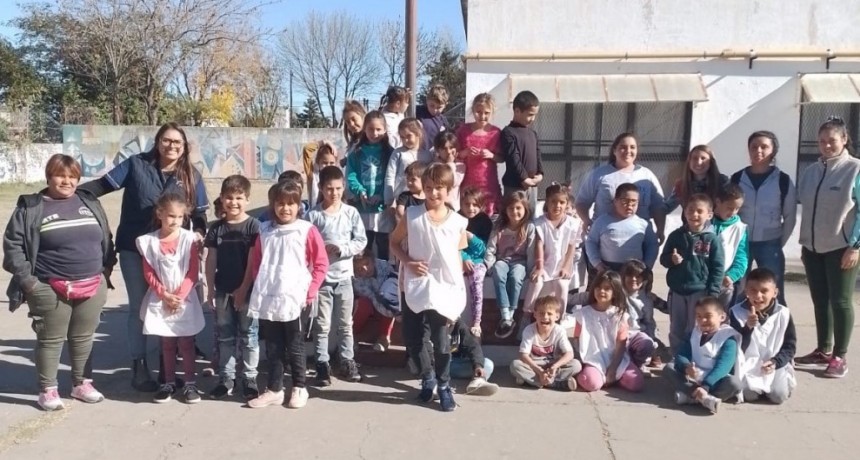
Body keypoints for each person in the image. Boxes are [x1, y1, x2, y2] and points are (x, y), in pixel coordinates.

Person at [78, 122, 209, 392]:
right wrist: (72, 194)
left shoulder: (191, 175)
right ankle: (139, 366)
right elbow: (102, 185)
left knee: (172, 302)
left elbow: (199, 216)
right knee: (140, 306)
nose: (171, 146)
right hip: (134, 249)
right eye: (167, 140)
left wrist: (199, 236)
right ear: (158, 141)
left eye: (177, 142)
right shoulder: (136, 165)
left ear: (184, 147)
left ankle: (167, 366)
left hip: (174, 253)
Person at [3, 154, 115, 410]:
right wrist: (29, 283)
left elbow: (106, 236)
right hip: (48, 286)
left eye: (72, 176)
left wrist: (106, 269)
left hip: (92, 283)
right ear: (49, 176)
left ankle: (81, 384)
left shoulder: (88, 201)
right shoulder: (31, 207)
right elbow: (13, 247)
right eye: (60, 175)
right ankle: (48, 390)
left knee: (83, 337)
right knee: (51, 340)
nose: (66, 181)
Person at [233, 181, 329, 409]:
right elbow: (257, 263)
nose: (285, 208)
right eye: (280, 203)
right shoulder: (264, 230)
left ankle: (299, 387)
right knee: (273, 345)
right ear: (273, 205)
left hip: (296, 297)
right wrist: (259, 287)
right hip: (269, 296)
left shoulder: (307, 230)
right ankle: (274, 389)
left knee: (294, 344)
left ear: (298, 206)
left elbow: (321, 263)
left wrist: (311, 290)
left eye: (291, 204)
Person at [389, 162, 469, 412]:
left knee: (441, 340)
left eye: (439, 188)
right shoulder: (412, 216)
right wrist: (408, 262)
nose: (434, 193)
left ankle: (444, 386)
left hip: (444, 287)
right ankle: (428, 377)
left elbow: (458, 255)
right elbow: (393, 243)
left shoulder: (458, 221)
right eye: (429, 188)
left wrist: (459, 289)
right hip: (414, 284)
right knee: (413, 338)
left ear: (449, 189)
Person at [795, 117, 860, 378]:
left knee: (841, 301)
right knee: (820, 300)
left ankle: (840, 357)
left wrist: (855, 246)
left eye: (832, 140)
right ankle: (823, 349)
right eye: (822, 141)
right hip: (812, 248)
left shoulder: (854, 169)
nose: (826, 146)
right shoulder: (811, 171)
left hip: (841, 247)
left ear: (844, 140)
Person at [137, 192, 205, 404]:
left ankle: (190, 383)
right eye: (170, 216)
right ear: (159, 214)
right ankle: (167, 382)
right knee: (166, 343)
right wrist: (164, 295)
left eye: (179, 217)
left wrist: (180, 296)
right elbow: (149, 272)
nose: (174, 221)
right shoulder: (148, 242)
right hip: (162, 299)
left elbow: (193, 271)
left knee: (186, 342)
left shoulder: (188, 240)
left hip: (184, 299)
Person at [306, 166, 368, 385]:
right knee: (322, 324)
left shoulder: (350, 213)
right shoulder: (313, 215)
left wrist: (342, 249)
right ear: (321, 189)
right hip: (322, 279)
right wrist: (321, 250)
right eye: (329, 189)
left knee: (345, 323)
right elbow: (305, 244)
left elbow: (361, 240)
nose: (334, 193)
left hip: (344, 278)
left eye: (339, 188)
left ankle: (347, 360)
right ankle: (322, 363)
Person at [204, 175, 261, 401]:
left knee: (250, 336)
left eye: (239, 198)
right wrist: (209, 290)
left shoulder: (253, 226)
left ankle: (249, 379)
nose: (233, 202)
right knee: (225, 337)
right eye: (229, 197)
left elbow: (253, 261)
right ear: (222, 199)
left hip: (248, 292)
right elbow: (210, 260)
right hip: (222, 292)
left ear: (247, 199)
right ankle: (226, 379)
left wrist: (243, 288)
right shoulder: (216, 229)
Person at [730, 131, 796, 306]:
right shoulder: (737, 178)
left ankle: (782, 332)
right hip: (741, 243)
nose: (758, 150)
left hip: (770, 243)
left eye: (764, 147)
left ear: (773, 150)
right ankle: (738, 331)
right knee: (737, 291)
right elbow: (729, 212)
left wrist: (778, 242)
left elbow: (790, 216)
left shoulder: (783, 180)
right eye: (754, 147)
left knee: (774, 293)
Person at [574, 132, 666, 246]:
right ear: (614, 150)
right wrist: (586, 220)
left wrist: (660, 229)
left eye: (632, 147)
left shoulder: (647, 175)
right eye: (623, 147)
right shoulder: (599, 175)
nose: (628, 151)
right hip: (605, 240)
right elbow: (582, 202)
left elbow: (659, 207)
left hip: (639, 239)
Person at [660, 194, 725, 353]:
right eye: (690, 210)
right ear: (684, 212)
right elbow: (663, 259)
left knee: (694, 327)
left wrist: (713, 292)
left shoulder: (711, 240)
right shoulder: (676, 236)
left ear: (709, 214)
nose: (694, 214)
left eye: (699, 211)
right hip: (677, 291)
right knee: (676, 326)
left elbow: (718, 267)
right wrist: (671, 259)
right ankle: (677, 358)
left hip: (699, 291)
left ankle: (693, 356)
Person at [729, 268, 797, 404]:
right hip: (748, 365)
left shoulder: (783, 314)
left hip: (773, 363)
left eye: (764, 291)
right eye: (753, 290)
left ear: (775, 293)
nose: (758, 296)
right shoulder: (736, 313)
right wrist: (747, 328)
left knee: (778, 396)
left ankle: (782, 380)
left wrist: (776, 362)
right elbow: (734, 348)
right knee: (750, 395)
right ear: (746, 291)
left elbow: (790, 346)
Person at [667, 296, 742, 414]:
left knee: (734, 383)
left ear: (722, 317)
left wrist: (706, 385)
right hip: (694, 376)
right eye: (699, 316)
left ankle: (692, 397)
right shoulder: (693, 333)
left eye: (708, 316)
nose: (702, 321)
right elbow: (681, 354)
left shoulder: (728, 338)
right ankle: (702, 398)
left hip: (716, 379)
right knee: (668, 369)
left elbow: (724, 366)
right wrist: (687, 367)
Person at [574, 271, 644, 393]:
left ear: (615, 293)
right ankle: (585, 376)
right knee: (591, 383)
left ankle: (615, 378)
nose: (601, 291)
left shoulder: (620, 315)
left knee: (636, 383)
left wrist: (612, 369)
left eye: (607, 289)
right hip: (593, 358)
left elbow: (621, 345)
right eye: (598, 287)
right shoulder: (584, 313)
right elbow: (576, 339)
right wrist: (580, 360)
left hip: (615, 358)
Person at [523, 183, 580, 323]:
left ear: (567, 204)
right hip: (544, 265)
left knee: (562, 285)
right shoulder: (540, 223)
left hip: (562, 266)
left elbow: (572, 246)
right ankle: (525, 315)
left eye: (562, 202)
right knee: (536, 283)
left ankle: (559, 318)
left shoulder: (573, 223)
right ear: (547, 202)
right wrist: (540, 267)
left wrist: (566, 267)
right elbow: (539, 245)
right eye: (553, 201)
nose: (558, 205)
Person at [485, 191, 535, 339]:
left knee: (516, 277)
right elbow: (491, 248)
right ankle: (505, 315)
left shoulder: (529, 227)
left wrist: (531, 269)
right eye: (511, 208)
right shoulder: (499, 226)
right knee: (499, 273)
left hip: (520, 261)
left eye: (518, 208)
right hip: (503, 260)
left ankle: (511, 316)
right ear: (505, 210)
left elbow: (531, 251)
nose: (515, 212)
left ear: (525, 209)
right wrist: (489, 265)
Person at [346, 110, 395, 261]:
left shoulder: (389, 152)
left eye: (378, 129)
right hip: (363, 207)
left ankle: (383, 276)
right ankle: (363, 276)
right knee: (364, 244)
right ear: (364, 129)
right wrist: (360, 191)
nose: (374, 133)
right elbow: (351, 174)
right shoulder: (357, 152)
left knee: (382, 244)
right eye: (370, 129)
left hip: (381, 208)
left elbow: (392, 177)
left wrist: (382, 195)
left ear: (385, 130)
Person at [509, 296, 580, 391]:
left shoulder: (559, 330)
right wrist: (539, 371)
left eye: (549, 314)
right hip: (534, 366)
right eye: (541, 313)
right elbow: (523, 355)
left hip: (553, 366)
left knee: (576, 365)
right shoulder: (529, 330)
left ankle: (533, 381)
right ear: (535, 315)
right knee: (515, 365)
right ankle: (555, 383)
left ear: (557, 316)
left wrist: (555, 366)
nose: (545, 317)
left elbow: (569, 354)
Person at [586, 182, 658, 272]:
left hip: (634, 272)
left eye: (634, 202)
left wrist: (647, 266)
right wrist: (597, 263)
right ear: (615, 201)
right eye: (625, 201)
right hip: (607, 269)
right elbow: (591, 242)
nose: (629, 206)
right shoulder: (602, 221)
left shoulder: (643, 224)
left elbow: (652, 245)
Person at [456, 92, 503, 216]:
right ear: (473, 110)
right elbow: (453, 154)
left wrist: (491, 155)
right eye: (479, 112)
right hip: (467, 183)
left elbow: (502, 158)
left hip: (488, 183)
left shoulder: (496, 132)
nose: (482, 116)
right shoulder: (463, 130)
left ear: (492, 112)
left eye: (486, 113)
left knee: (488, 221)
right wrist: (465, 152)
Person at [501, 90, 543, 212]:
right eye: (530, 114)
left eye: (535, 115)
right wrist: (524, 178)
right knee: (514, 219)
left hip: (532, 186)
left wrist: (540, 174)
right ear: (517, 111)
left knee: (530, 219)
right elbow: (513, 157)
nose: (532, 119)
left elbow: (538, 154)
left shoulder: (532, 133)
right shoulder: (508, 132)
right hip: (514, 186)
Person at [460, 187, 493, 336]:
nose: (470, 208)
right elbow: (451, 244)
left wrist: (470, 237)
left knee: (477, 280)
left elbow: (483, 249)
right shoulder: (456, 218)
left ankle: (476, 322)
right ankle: (451, 319)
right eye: (467, 204)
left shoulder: (485, 221)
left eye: (474, 205)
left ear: (481, 206)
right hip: (459, 258)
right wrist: (464, 258)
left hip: (479, 260)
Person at [352, 253, 399, 352]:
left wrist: (395, 310)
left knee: (389, 299)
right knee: (363, 304)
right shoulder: (356, 279)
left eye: (367, 263)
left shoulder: (385, 266)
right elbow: (372, 297)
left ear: (373, 261)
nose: (365, 269)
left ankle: (384, 337)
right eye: (360, 269)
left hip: (384, 303)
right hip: (371, 302)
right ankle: (352, 335)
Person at [712, 184, 749, 308]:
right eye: (729, 207)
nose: (733, 212)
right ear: (718, 202)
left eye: (737, 208)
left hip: (723, 283)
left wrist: (732, 275)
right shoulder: (704, 222)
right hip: (700, 282)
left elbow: (742, 257)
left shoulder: (740, 228)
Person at [384, 118, 432, 213]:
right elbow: (390, 176)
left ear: (418, 133)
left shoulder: (427, 155)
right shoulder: (398, 153)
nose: (405, 140)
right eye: (402, 137)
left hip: (422, 200)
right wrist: (389, 200)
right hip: (401, 200)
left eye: (409, 136)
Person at [663, 144, 729, 214]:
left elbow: (730, 206)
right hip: (691, 223)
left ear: (711, 162)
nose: (699, 162)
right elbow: (668, 207)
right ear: (689, 162)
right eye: (695, 158)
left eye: (703, 158)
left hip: (716, 224)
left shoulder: (722, 182)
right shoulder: (681, 184)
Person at [619, 260, 659, 367]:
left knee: (647, 345)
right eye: (629, 275)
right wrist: (569, 299)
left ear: (644, 279)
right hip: (617, 336)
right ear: (623, 277)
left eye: (638, 276)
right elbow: (590, 297)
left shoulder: (647, 298)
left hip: (636, 335)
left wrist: (653, 342)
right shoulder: (616, 293)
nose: (633, 279)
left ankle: (636, 364)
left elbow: (649, 322)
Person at [449, 317, 499, 396]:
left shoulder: (459, 324)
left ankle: (477, 383)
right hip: (436, 366)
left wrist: (477, 366)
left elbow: (472, 346)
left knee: (488, 365)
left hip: (453, 365)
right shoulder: (431, 323)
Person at [434, 131, 466, 211]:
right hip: (437, 206)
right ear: (438, 150)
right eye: (444, 149)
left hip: (454, 207)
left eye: (451, 147)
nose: (448, 152)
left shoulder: (460, 165)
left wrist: (450, 164)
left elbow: (453, 182)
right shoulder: (434, 165)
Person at [416, 84, 449, 152]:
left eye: (439, 107)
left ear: (445, 105)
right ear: (427, 100)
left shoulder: (443, 121)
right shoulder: (417, 111)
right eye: (431, 105)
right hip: (416, 153)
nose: (435, 110)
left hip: (433, 155)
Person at [307, 142, 339, 210]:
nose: (328, 165)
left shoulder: (339, 178)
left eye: (332, 163)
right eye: (324, 163)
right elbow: (306, 149)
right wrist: (324, 142)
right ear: (318, 162)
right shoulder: (312, 176)